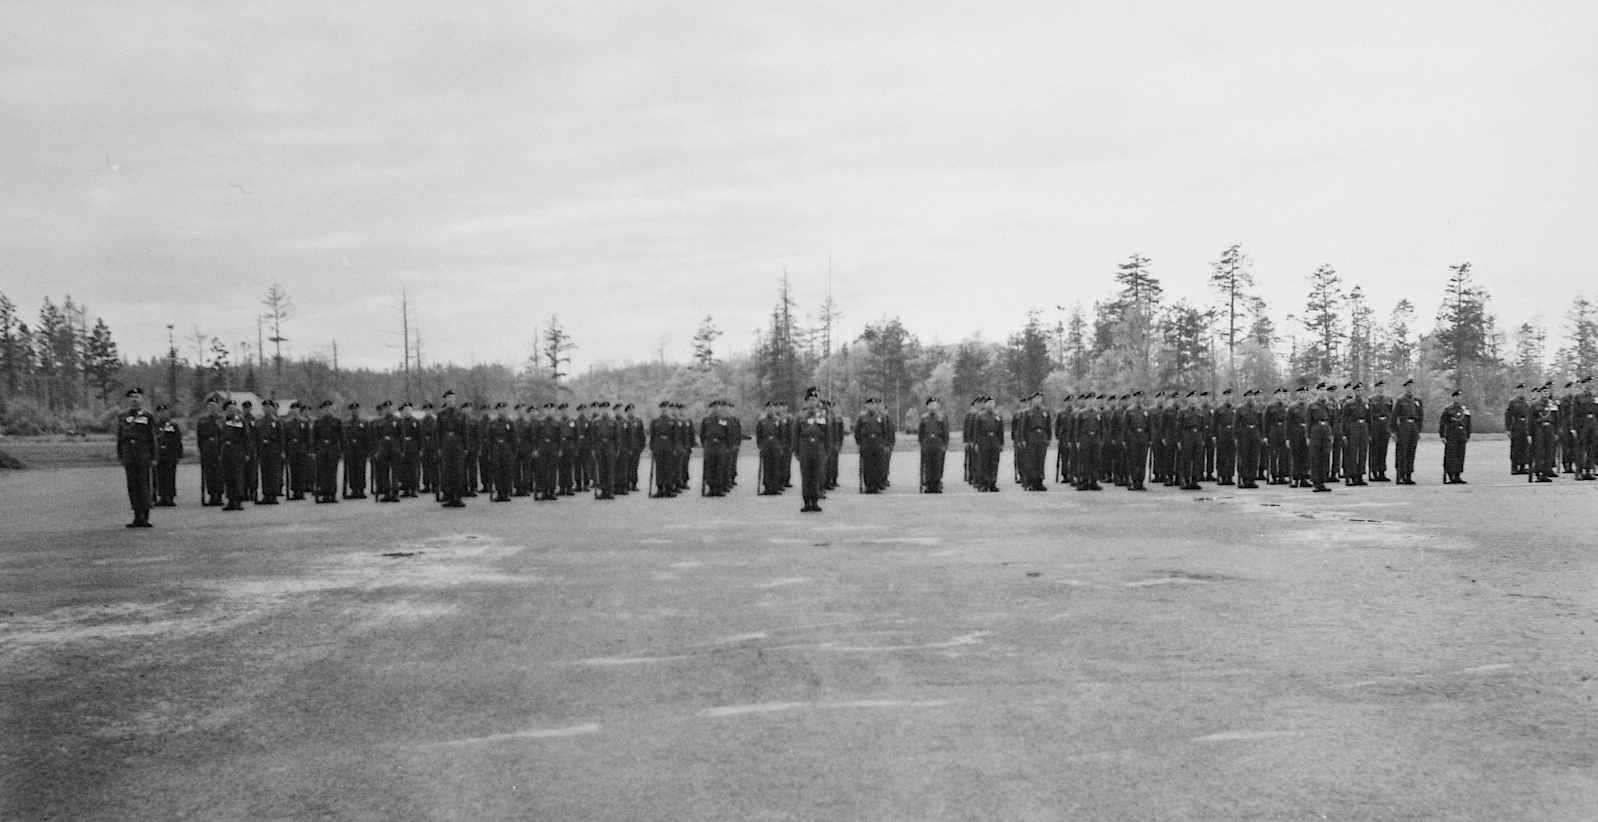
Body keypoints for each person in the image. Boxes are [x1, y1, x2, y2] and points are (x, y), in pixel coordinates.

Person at [116, 388, 157, 527]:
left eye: (137, 397)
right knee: (132, 485)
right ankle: (136, 515)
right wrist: (120, 454)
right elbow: (120, 437)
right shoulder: (123, 416)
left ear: (141, 399)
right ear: (128, 400)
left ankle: (145, 515)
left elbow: (152, 437)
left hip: (143, 453)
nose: (134, 399)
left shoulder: (147, 416)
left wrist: (154, 456)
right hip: (129, 453)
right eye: (132, 397)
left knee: (144, 485)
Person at [796, 389, 829, 512]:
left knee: (816, 476)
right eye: (809, 400)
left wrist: (826, 451)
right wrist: (797, 451)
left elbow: (828, 435)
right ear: (805, 402)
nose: (811, 402)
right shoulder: (800, 417)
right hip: (805, 448)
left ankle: (815, 501)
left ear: (817, 401)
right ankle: (806, 502)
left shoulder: (822, 416)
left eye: (813, 400)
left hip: (818, 449)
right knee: (806, 476)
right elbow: (795, 435)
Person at [436, 391, 468, 508]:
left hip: (458, 444)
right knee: (447, 472)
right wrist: (439, 447)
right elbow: (438, 432)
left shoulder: (461, 414)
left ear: (455, 400)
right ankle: (449, 497)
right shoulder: (441, 415)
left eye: (452, 398)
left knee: (458, 471)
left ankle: (458, 497)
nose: (450, 400)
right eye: (448, 398)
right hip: (446, 444)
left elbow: (465, 431)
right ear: (445, 400)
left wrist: (466, 447)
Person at [219, 400, 251, 511]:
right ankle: (230, 500)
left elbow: (246, 437)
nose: (231, 410)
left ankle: (239, 500)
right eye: (229, 409)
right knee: (228, 477)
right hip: (226, 451)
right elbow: (219, 437)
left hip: (237, 451)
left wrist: (247, 453)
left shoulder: (240, 420)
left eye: (233, 408)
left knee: (238, 476)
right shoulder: (222, 421)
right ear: (225, 410)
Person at [254, 398, 286, 504]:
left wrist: (282, 451)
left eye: (268, 407)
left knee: (273, 473)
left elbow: (281, 437)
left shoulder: (277, 421)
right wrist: (256, 450)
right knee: (264, 472)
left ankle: (274, 495)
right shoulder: (259, 421)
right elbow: (256, 437)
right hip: (263, 449)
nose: (266, 409)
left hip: (273, 449)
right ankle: (266, 494)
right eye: (265, 407)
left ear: (272, 408)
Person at [1392, 380, 1423, 484]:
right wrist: (1394, 431)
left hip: (1413, 426)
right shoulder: (1401, 400)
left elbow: (1420, 416)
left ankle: (1408, 475)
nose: (1410, 388)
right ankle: (1400, 475)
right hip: (1404, 425)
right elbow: (1394, 416)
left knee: (1411, 451)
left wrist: (1418, 430)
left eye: (1412, 386)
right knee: (1402, 451)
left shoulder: (1417, 401)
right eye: (1408, 386)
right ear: (1405, 387)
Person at [1307, 384, 1337, 492]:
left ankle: (1323, 481)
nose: (1323, 392)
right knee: (1315, 456)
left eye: (1324, 390)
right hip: (1316, 430)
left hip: (1327, 430)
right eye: (1321, 390)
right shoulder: (1312, 405)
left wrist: (1332, 434)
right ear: (1317, 391)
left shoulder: (1330, 405)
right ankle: (1316, 481)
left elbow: (1333, 421)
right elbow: (1308, 421)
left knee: (1325, 456)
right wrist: (1308, 436)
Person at [1528, 383, 1560, 482]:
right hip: (1539, 428)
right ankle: (1539, 471)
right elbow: (1530, 420)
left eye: (1547, 391)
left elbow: (1557, 419)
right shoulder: (1535, 404)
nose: (1546, 393)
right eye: (1544, 391)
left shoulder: (1553, 404)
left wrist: (1556, 432)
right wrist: (1529, 434)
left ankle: (1546, 471)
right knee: (1539, 450)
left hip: (1550, 428)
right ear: (1540, 393)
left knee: (1549, 450)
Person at [196, 395, 224, 506]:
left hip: (218, 448)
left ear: (217, 407)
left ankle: (219, 495)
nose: (212, 408)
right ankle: (212, 495)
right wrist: (201, 450)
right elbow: (199, 436)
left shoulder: (221, 418)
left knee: (219, 473)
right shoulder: (202, 420)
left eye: (214, 405)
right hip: (207, 449)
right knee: (209, 473)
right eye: (210, 405)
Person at [1439, 389, 1472, 484]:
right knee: (1451, 455)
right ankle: (1451, 475)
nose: (1458, 398)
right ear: (1453, 398)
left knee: (1460, 455)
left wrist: (1468, 434)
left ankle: (1458, 475)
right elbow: (1443, 423)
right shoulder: (1448, 409)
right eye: (1456, 396)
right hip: (1452, 433)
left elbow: (1468, 423)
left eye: (1459, 396)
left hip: (1462, 434)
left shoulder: (1465, 409)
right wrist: (1442, 435)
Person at [153, 403, 182, 507]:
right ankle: (161, 497)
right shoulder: (154, 425)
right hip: (158, 453)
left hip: (170, 453)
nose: (162, 413)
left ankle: (170, 497)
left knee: (170, 475)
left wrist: (178, 454)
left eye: (164, 411)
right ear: (157, 413)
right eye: (160, 412)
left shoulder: (173, 425)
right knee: (159, 476)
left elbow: (177, 440)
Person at [918, 396, 949, 493]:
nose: (932, 407)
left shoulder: (941, 417)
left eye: (934, 404)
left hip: (938, 442)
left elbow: (945, 431)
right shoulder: (924, 418)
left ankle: (936, 483)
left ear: (937, 406)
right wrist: (922, 444)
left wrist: (945, 444)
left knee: (938, 463)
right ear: (927, 406)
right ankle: (928, 484)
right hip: (927, 442)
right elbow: (921, 433)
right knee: (928, 464)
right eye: (930, 405)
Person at [1366, 381, 1393, 482]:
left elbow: (1391, 413)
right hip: (1375, 425)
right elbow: (1368, 415)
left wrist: (1390, 427)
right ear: (1376, 388)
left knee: (1383, 449)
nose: (1381, 388)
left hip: (1384, 425)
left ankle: (1382, 471)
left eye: (1383, 386)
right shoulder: (1371, 399)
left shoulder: (1388, 399)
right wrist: (1370, 429)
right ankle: (1373, 471)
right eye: (1380, 387)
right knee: (1374, 449)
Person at [1504, 384, 1531, 475]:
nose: (1522, 391)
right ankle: (1514, 467)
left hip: (1525, 425)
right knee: (1516, 446)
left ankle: (1523, 466)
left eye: (1523, 390)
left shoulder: (1527, 401)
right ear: (1517, 390)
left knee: (1525, 446)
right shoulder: (1512, 401)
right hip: (1516, 425)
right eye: (1520, 390)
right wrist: (1508, 429)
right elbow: (1508, 416)